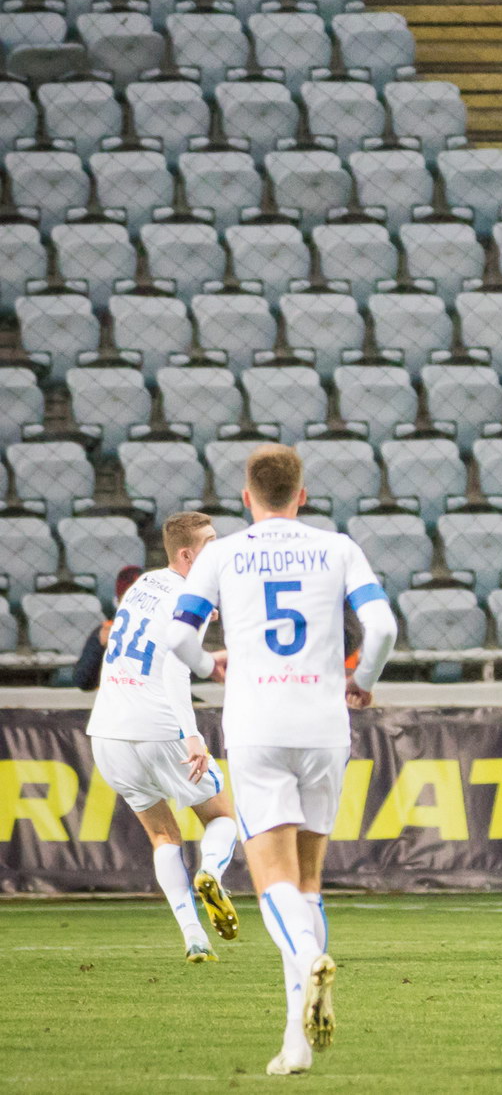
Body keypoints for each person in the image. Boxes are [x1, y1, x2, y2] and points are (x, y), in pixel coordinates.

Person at [166, 444, 397, 1077]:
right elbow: (382, 628)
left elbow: (179, 634)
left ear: (247, 498)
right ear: (302, 495)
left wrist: (208, 665)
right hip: (324, 727)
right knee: (308, 883)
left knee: (273, 882)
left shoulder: (223, 553)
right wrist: (362, 682)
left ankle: (307, 961)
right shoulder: (338, 547)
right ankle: (296, 1041)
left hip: (258, 728)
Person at [86, 512, 240, 964]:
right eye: (210, 543)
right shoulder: (192, 597)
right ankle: (211, 873)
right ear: (187, 555)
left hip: (108, 732)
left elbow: (153, 640)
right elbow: (174, 666)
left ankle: (194, 938)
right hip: (159, 726)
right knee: (222, 818)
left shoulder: (143, 584)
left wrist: (205, 648)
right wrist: (192, 736)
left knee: (163, 835)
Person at [72, 565, 143, 690]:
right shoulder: (107, 630)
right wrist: (100, 647)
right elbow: (83, 681)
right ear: (119, 601)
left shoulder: (163, 630)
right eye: (130, 598)